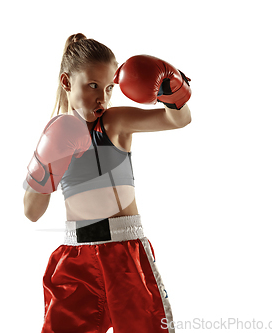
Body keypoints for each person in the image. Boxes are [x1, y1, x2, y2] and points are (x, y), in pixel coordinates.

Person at [23, 33, 191, 333]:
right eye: (92, 86)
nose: (102, 97)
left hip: (124, 252)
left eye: (109, 87)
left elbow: (178, 120)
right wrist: (47, 159)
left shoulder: (114, 123)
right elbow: (32, 212)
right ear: (66, 82)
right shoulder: (57, 134)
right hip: (76, 256)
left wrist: (173, 93)